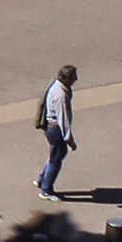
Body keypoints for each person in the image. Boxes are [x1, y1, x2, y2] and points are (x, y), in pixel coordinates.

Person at [36, 64, 77, 200]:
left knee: (57, 154)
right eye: (73, 77)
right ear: (66, 78)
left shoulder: (56, 85)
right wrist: (70, 140)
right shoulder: (61, 96)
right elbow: (63, 119)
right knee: (56, 160)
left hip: (50, 127)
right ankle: (46, 189)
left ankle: (42, 178)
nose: (76, 79)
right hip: (55, 130)